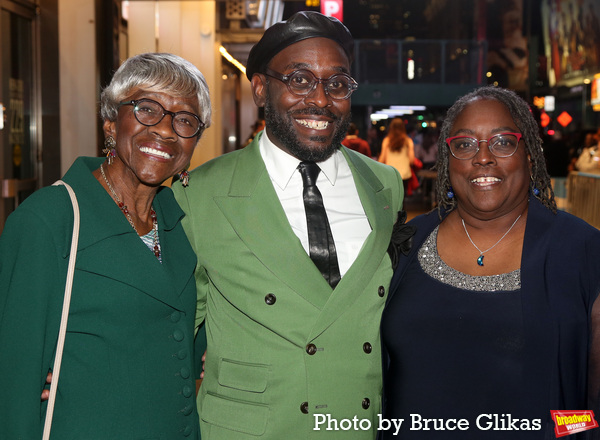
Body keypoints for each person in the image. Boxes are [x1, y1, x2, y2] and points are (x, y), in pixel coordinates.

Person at [172, 11, 404, 440]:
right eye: (299, 79)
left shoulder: (385, 184)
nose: (320, 99)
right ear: (260, 88)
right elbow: (170, 326)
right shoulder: (199, 193)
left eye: (336, 83)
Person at [0, 53, 211, 439]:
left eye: (185, 120)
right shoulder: (51, 219)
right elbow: (12, 378)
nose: (166, 130)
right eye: (147, 109)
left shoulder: (181, 222)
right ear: (111, 124)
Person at [380, 86, 600, 439]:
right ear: (449, 157)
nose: (483, 157)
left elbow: (594, 410)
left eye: (502, 142)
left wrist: (560, 431)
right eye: (465, 144)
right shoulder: (406, 243)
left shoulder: (583, 252)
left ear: (528, 154)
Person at [378, 117, 416, 193]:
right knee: (402, 199)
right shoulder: (408, 141)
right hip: (405, 174)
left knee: (392, 199)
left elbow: (382, 160)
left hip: (390, 174)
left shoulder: (387, 141)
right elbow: (412, 160)